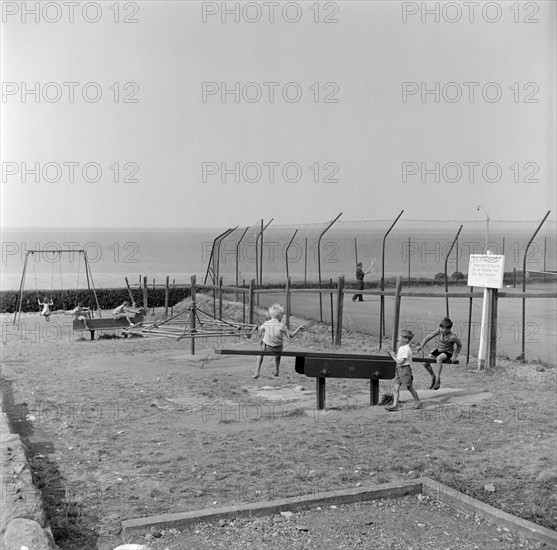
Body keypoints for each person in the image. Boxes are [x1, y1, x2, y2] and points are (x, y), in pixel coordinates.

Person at [252, 304, 305, 379]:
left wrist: (258, 329)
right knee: (278, 351)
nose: (282, 317)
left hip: (267, 348)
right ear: (278, 316)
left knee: (260, 351)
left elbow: (260, 329)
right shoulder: (282, 325)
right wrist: (298, 328)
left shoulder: (266, 323)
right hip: (278, 349)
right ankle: (277, 370)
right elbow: (291, 336)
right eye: (282, 316)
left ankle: (257, 371)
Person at [417, 317, 462, 390]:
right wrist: (421, 345)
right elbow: (428, 337)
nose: (443, 330)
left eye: (446, 329)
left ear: (449, 329)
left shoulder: (452, 337)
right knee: (425, 363)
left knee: (439, 358)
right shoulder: (439, 331)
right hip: (439, 350)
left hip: (447, 352)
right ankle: (433, 377)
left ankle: (437, 379)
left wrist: (455, 355)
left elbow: (459, 345)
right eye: (442, 328)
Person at [385, 330, 422, 411]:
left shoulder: (407, 349)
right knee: (396, 388)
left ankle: (418, 402)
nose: (398, 338)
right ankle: (395, 405)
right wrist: (394, 354)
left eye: (400, 337)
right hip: (399, 369)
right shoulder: (402, 348)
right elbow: (399, 359)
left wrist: (392, 356)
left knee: (409, 387)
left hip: (405, 370)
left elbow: (400, 361)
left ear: (405, 339)